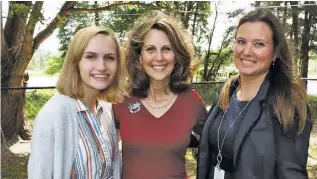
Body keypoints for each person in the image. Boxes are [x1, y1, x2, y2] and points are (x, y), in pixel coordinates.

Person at [197, 9, 312, 179]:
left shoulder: (286, 104)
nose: (247, 51)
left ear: (275, 53)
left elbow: (291, 174)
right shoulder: (227, 91)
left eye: (259, 44)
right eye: (241, 41)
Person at [112, 11, 207, 179]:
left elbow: (212, 150)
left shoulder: (191, 101)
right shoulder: (121, 100)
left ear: (176, 55)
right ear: (139, 57)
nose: (159, 57)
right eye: (150, 49)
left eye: (166, 49)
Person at [28, 26, 126, 179]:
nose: (101, 67)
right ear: (76, 62)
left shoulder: (105, 109)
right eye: (91, 56)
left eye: (109, 58)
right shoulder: (54, 115)